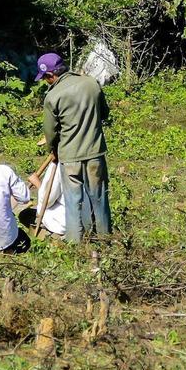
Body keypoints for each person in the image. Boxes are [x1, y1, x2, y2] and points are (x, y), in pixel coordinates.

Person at [40, 52, 112, 244]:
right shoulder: (91, 83)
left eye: (46, 79)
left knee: (73, 201)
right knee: (99, 198)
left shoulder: (52, 96)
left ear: (50, 75)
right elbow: (104, 113)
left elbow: (50, 132)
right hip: (95, 153)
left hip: (69, 157)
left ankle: (75, 244)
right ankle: (106, 241)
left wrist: (52, 150)